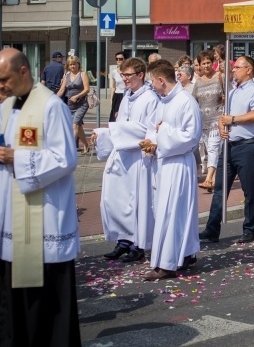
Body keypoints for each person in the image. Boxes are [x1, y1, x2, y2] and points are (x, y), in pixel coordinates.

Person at [0, 48, 82, 347]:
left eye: (2, 79)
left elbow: (65, 158)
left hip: (39, 214)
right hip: (6, 209)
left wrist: (13, 157)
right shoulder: (5, 106)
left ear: (22, 72)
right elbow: (3, 150)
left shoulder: (51, 106)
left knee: (30, 288)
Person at [138, 60, 202, 280]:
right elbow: (154, 128)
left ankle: (166, 264)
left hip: (178, 164)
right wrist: (151, 141)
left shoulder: (186, 101)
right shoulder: (163, 101)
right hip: (164, 163)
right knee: (167, 211)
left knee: (173, 212)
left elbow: (191, 137)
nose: (152, 86)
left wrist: (162, 132)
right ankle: (183, 254)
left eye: (152, 82)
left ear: (161, 80)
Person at [93, 57, 159, 264]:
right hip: (122, 155)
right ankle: (123, 241)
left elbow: (146, 130)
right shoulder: (126, 96)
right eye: (122, 75)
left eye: (128, 75)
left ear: (140, 75)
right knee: (115, 200)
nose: (124, 79)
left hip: (138, 158)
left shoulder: (150, 98)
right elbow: (121, 123)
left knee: (136, 202)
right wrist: (105, 135)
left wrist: (112, 130)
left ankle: (137, 244)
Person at [200, 56, 254, 244]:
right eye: (234, 67)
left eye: (238, 67)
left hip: (247, 145)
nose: (234, 70)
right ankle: (212, 229)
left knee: (249, 190)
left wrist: (233, 120)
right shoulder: (232, 92)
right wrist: (222, 124)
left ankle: (249, 228)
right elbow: (224, 116)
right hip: (229, 146)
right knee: (220, 189)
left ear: (248, 70)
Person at [193, 51, 224, 192]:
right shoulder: (198, 82)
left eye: (208, 62)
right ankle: (214, 180)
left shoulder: (219, 77)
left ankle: (209, 178)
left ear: (213, 63)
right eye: (203, 63)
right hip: (203, 121)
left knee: (212, 148)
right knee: (210, 149)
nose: (206, 65)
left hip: (217, 119)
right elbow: (194, 100)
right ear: (199, 65)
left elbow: (228, 95)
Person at [56, 55, 91, 155]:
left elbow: (87, 89)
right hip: (70, 104)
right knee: (78, 126)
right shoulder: (66, 75)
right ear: (68, 66)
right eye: (71, 64)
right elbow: (62, 89)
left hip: (81, 103)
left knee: (74, 125)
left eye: (74, 64)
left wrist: (77, 96)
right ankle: (86, 145)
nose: (73, 66)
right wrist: (53, 99)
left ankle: (68, 149)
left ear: (78, 64)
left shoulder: (83, 74)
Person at [109, 51, 126, 122]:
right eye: (117, 59)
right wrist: (111, 98)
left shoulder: (128, 71)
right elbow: (113, 86)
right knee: (115, 117)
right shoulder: (114, 72)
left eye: (121, 59)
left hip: (126, 95)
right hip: (117, 95)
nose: (118, 60)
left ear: (125, 59)